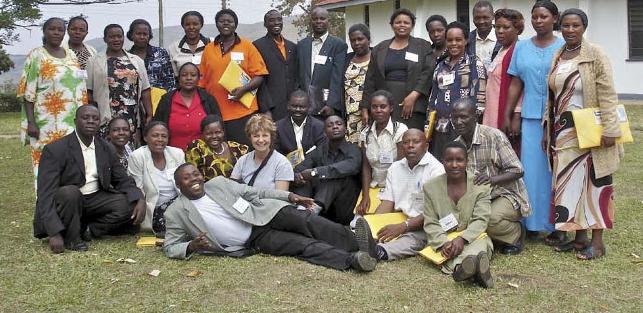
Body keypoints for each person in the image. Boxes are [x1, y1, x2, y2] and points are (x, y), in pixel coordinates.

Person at [163, 163, 377, 272]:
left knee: (307, 221)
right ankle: (353, 260)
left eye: (196, 174)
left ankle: (359, 243)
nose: (194, 179)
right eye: (186, 178)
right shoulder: (175, 212)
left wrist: (290, 196)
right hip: (254, 239)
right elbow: (170, 246)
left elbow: (255, 193)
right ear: (179, 185)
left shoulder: (218, 184)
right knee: (301, 245)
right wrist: (190, 246)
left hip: (265, 213)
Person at [543, 9, 622, 260]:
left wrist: (611, 129)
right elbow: (553, 96)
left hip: (591, 132)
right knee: (570, 183)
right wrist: (548, 127)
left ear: (583, 27)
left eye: (575, 25)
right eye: (565, 25)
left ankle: (597, 243)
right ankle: (579, 238)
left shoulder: (595, 54)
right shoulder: (559, 54)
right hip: (563, 133)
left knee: (595, 184)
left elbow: (607, 93)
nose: (569, 30)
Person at [34, 105, 145, 253]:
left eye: (95, 118)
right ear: (75, 121)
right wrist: (54, 233)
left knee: (129, 204)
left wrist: (140, 198)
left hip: (95, 199)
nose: (91, 121)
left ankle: (88, 230)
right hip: (67, 201)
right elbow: (45, 194)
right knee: (70, 192)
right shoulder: (55, 149)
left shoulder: (105, 148)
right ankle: (71, 238)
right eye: (85, 118)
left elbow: (122, 179)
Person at [503, 1, 565, 244]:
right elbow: (516, 82)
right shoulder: (522, 47)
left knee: (558, 172)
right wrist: (509, 114)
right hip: (530, 118)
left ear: (554, 18)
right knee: (532, 174)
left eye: (544, 16)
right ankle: (531, 224)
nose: (539, 21)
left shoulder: (564, 46)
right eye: (535, 17)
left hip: (560, 120)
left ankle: (559, 224)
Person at [452, 97, 531, 255]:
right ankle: (491, 237)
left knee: (488, 220)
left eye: (464, 117)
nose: (459, 121)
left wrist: (492, 180)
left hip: (507, 194)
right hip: (480, 198)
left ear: (475, 116)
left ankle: (516, 234)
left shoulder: (493, 136)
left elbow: (518, 170)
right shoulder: (457, 144)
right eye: (455, 117)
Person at [17, 17, 88, 186]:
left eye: (60, 30)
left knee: (71, 164)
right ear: (44, 31)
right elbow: (28, 92)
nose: (57, 33)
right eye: (52, 29)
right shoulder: (37, 55)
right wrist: (31, 123)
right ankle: (44, 205)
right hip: (46, 123)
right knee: (46, 165)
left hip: (71, 122)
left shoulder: (70, 54)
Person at [356, 129, 444, 261]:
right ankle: (365, 244)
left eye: (416, 142)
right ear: (401, 146)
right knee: (378, 232)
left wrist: (404, 226)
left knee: (412, 239)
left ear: (426, 146)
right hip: (400, 218)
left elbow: (434, 213)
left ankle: (379, 252)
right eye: (406, 142)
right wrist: (373, 225)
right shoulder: (395, 168)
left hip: (426, 223)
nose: (410, 146)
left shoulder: (436, 170)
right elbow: (387, 203)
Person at [423, 141, 494, 288]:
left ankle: (462, 269)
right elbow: (430, 222)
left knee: (479, 248)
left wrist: (462, 238)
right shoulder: (430, 187)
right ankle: (475, 270)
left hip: (473, 237)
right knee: (449, 252)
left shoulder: (481, 186)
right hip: (444, 238)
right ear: (443, 161)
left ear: (467, 162)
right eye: (449, 160)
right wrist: (443, 243)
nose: (454, 165)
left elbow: (480, 219)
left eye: (459, 160)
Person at [199, 9, 269, 147]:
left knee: (243, 151)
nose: (225, 23)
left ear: (235, 25)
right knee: (221, 155)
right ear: (216, 25)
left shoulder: (247, 46)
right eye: (221, 21)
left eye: (229, 21)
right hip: (216, 113)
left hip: (242, 112)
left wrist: (244, 89)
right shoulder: (208, 49)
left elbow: (260, 75)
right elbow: (202, 81)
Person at [362, 8, 434, 131]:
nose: (402, 25)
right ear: (391, 25)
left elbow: (427, 73)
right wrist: (365, 107)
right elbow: (370, 79)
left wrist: (413, 96)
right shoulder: (379, 48)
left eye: (406, 22)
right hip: (384, 103)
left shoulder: (423, 46)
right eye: (398, 22)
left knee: (410, 139)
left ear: (412, 25)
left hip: (413, 103)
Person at [428, 21, 487, 161]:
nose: (453, 43)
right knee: (441, 166)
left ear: (466, 41)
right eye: (450, 40)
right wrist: (429, 122)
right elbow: (433, 96)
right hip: (441, 128)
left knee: (461, 166)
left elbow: (480, 100)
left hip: (463, 129)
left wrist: (470, 127)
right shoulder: (441, 65)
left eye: (458, 39)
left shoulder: (474, 64)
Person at [86, 24, 152, 145]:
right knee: (106, 152)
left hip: (130, 117)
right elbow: (89, 92)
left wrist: (149, 114)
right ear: (105, 39)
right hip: (105, 117)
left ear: (123, 38)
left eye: (119, 36)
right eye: (112, 37)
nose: (116, 40)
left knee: (129, 153)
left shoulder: (136, 61)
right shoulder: (94, 61)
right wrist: (92, 116)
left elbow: (145, 90)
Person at [293, 115, 361, 225]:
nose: (335, 127)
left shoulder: (354, 149)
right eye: (330, 125)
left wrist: (316, 172)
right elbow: (300, 168)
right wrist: (297, 176)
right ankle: (302, 209)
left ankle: (311, 210)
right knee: (304, 177)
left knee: (334, 176)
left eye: (339, 124)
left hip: (344, 207)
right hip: (325, 209)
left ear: (346, 130)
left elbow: (352, 166)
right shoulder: (319, 151)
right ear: (325, 132)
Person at [128, 121, 185, 236]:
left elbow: (185, 183)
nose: (160, 139)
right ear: (145, 138)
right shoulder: (138, 156)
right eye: (155, 135)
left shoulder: (177, 154)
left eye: (164, 136)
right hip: (154, 208)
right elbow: (136, 188)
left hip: (179, 203)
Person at [356, 90, 408, 215]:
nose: (378, 110)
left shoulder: (400, 130)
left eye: (383, 106)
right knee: (358, 220)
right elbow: (366, 167)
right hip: (374, 186)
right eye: (374, 107)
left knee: (380, 221)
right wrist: (365, 195)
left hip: (395, 188)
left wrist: (392, 197)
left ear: (391, 108)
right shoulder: (365, 133)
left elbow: (402, 167)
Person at [153, 62, 221, 150]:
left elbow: (219, 128)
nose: (189, 78)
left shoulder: (208, 99)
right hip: (173, 155)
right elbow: (156, 127)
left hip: (205, 155)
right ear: (179, 79)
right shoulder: (167, 100)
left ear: (198, 79)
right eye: (184, 75)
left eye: (193, 75)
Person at [297, 6, 347, 118]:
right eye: (315, 19)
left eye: (322, 18)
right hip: (305, 107)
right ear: (311, 21)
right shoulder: (302, 45)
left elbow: (337, 77)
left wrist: (332, 104)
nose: (318, 21)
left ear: (328, 21)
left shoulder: (338, 45)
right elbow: (298, 76)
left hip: (326, 107)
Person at [253, 10, 299, 121]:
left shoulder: (292, 46)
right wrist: (265, 109)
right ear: (265, 24)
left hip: (292, 106)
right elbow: (259, 80)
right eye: (272, 20)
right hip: (272, 107)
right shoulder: (257, 46)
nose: (276, 23)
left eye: (279, 19)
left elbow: (296, 75)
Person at [483, 9, 524, 131]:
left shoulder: (518, 51)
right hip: (492, 111)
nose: (500, 31)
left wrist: (515, 115)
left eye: (506, 27)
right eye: (497, 27)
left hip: (505, 114)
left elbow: (521, 87)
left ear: (517, 29)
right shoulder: (500, 50)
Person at [230, 114, 294, 190]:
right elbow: (232, 189)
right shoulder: (242, 161)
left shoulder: (282, 163)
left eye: (265, 135)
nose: (260, 140)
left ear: (271, 137)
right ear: (250, 138)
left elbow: (280, 197)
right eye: (256, 136)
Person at [185, 114, 249, 181]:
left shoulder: (238, 148)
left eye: (218, 132)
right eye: (209, 133)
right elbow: (192, 177)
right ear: (202, 134)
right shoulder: (197, 148)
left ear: (223, 132)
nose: (214, 136)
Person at [274, 90, 326, 166]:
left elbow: (321, 153)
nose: (298, 109)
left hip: (312, 170)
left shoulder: (319, 126)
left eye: (302, 107)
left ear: (309, 107)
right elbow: (276, 154)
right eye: (294, 106)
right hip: (285, 169)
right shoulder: (278, 127)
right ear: (288, 106)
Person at [127, 19, 176, 91]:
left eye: (145, 34)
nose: (142, 37)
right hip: (135, 99)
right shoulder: (126, 57)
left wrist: (168, 99)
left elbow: (170, 80)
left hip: (159, 99)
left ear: (149, 36)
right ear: (131, 35)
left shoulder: (161, 53)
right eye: (138, 34)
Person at [343, 23, 371, 143]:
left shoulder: (377, 57)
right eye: (353, 40)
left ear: (368, 39)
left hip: (370, 113)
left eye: (360, 39)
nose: (356, 43)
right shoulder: (346, 59)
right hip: (350, 116)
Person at [168, 11, 212, 76]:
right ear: (183, 26)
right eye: (187, 24)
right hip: (183, 86)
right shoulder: (173, 47)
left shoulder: (212, 44)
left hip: (209, 85)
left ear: (201, 25)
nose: (191, 27)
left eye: (195, 24)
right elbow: (174, 75)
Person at [467, 1, 502, 69]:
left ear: (493, 16)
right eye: (477, 18)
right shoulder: (467, 39)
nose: (481, 21)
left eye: (485, 17)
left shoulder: (502, 38)